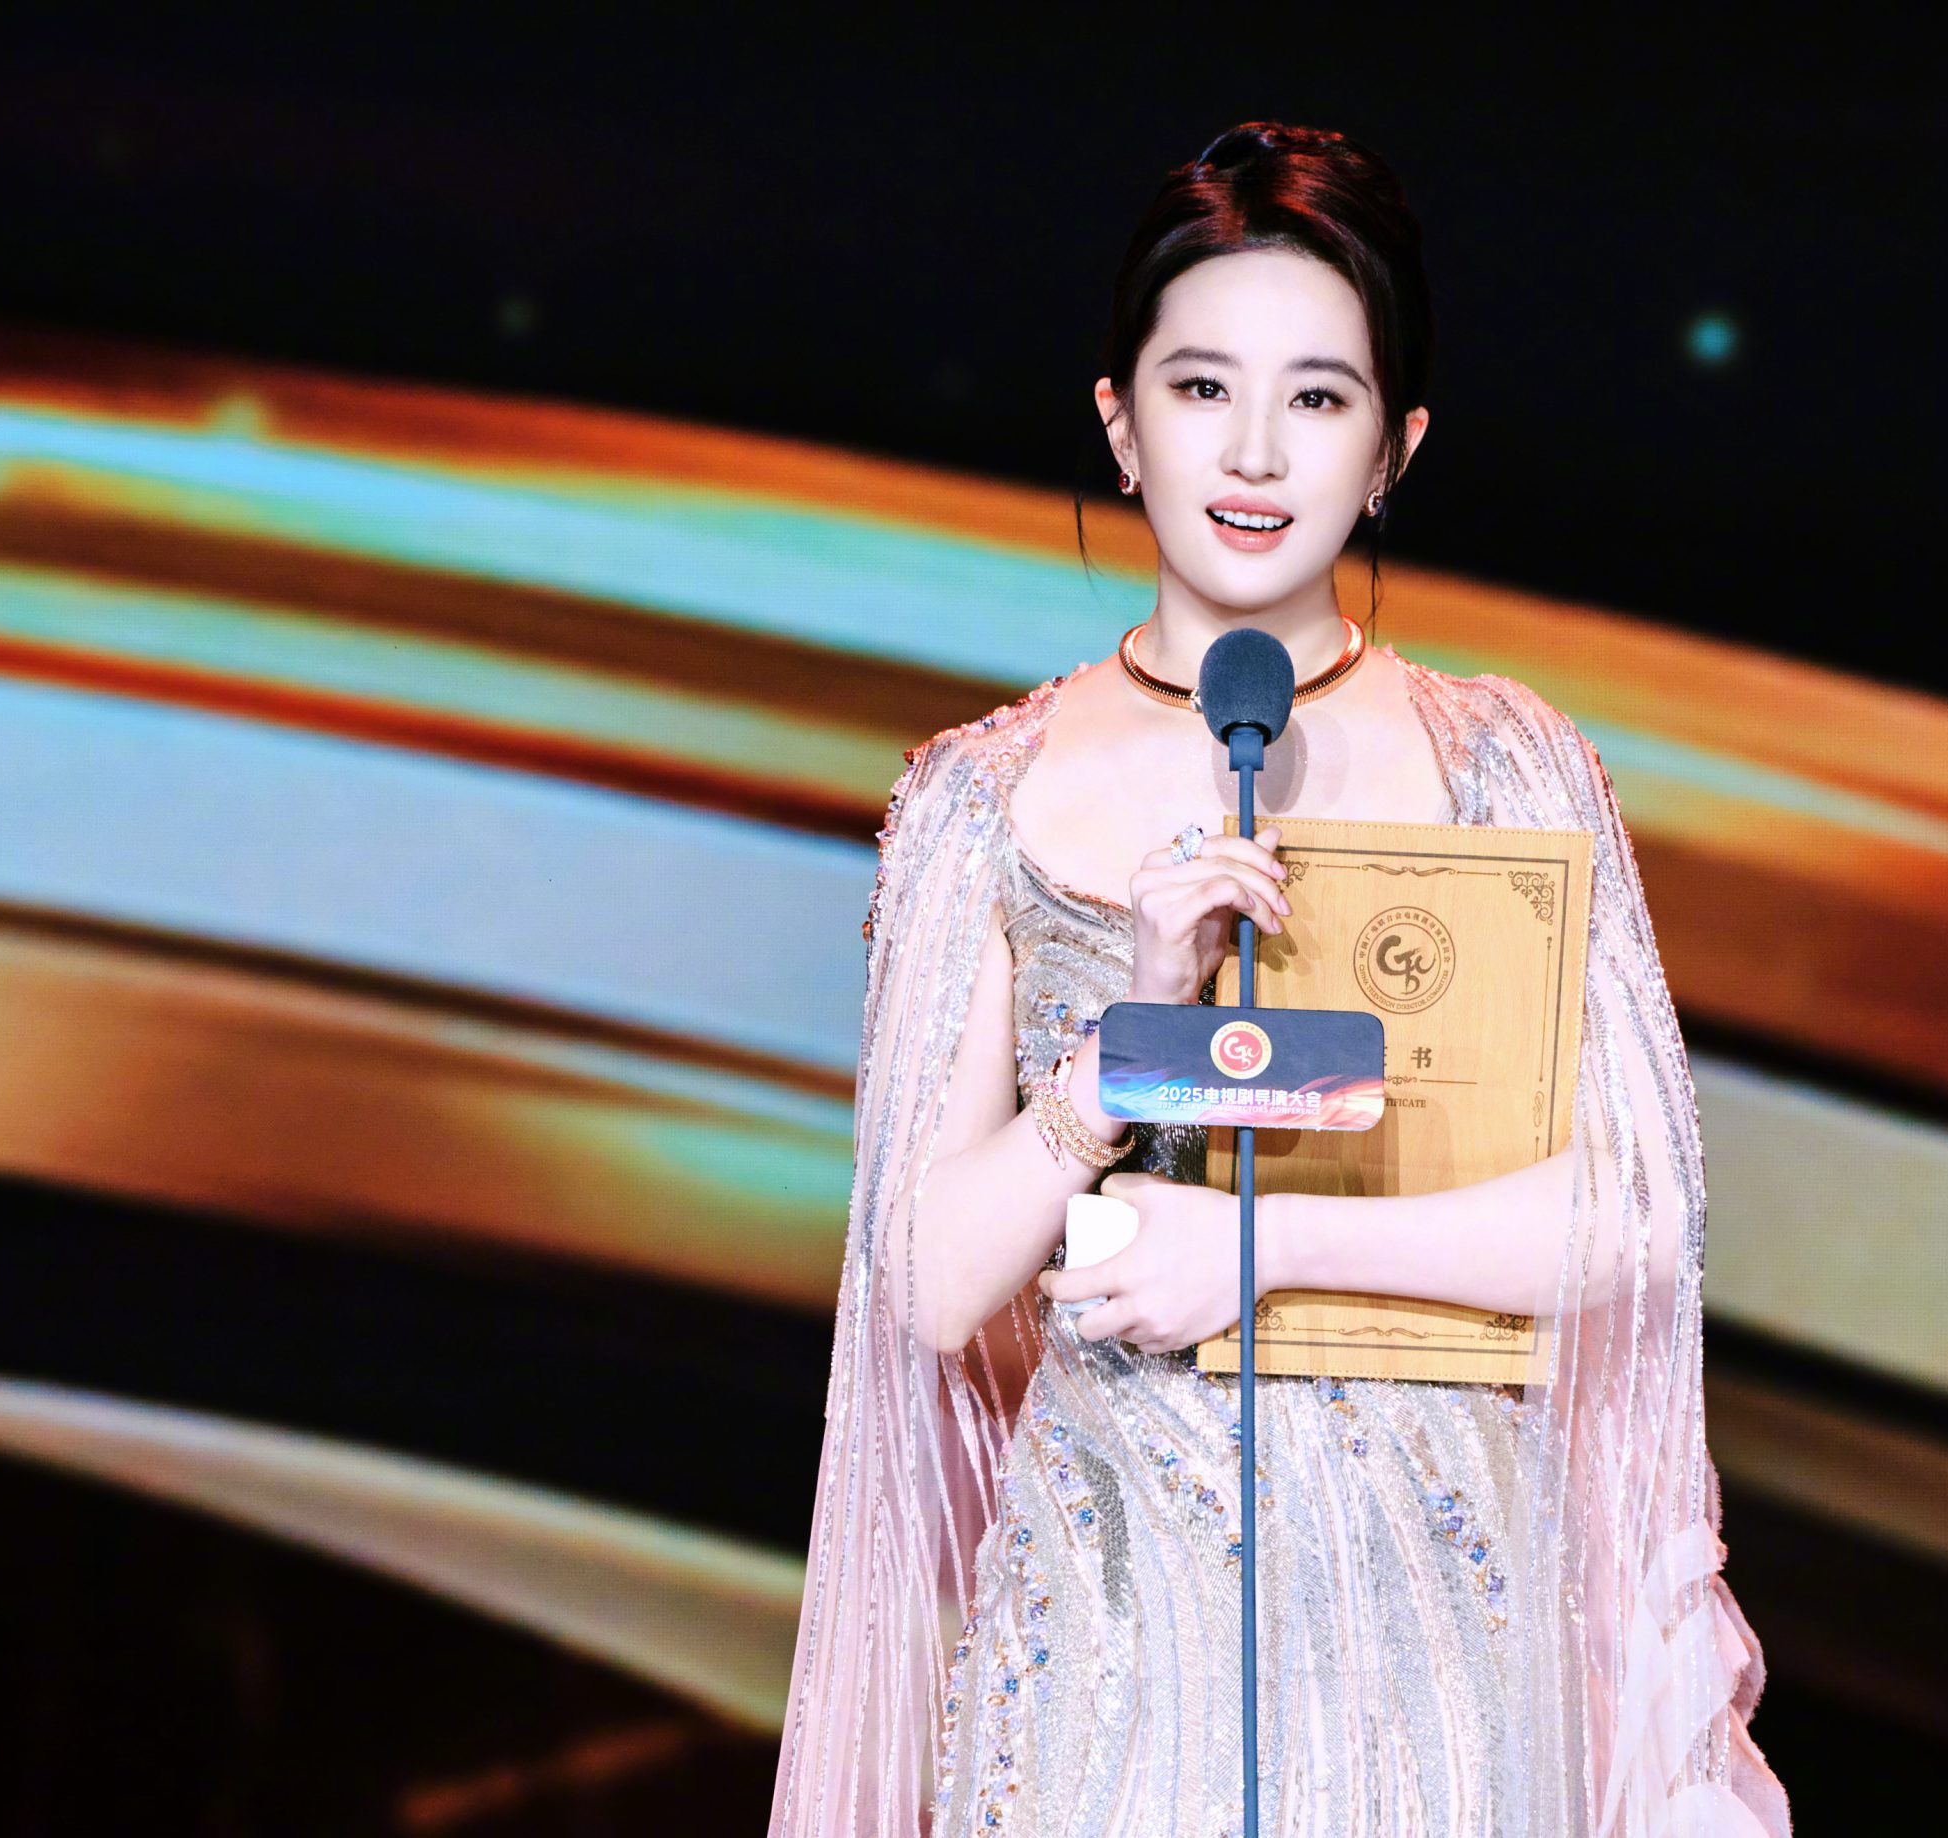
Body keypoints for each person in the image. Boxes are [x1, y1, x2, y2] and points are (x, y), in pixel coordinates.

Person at [765, 121, 1793, 1838]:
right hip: (1110, 1632)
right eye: (1201, 389)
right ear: (1120, 424)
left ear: (1395, 450)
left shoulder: (1508, 763)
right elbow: (930, 1283)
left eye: (1318, 398)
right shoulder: (980, 795)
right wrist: (1120, 1051)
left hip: (1435, 1617)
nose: (1253, 452)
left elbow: (1630, 1215)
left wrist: (1263, 1251)